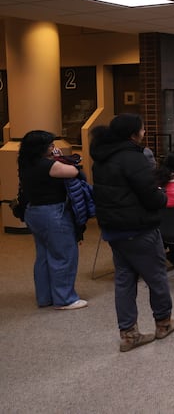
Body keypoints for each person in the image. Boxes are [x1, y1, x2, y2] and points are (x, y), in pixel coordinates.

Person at [91, 113, 174, 352]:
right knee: (156, 277)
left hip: (114, 229)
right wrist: (162, 196)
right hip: (139, 228)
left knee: (124, 280)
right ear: (132, 133)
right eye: (142, 129)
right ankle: (163, 323)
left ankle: (129, 334)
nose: (144, 132)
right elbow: (149, 195)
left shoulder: (101, 158)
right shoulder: (133, 158)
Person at [18, 130, 85, 310]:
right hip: (53, 213)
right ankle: (65, 298)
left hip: (34, 212)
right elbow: (73, 171)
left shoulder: (25, 163)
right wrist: (60, 158)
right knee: (63, 255)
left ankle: (45, 297)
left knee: (44, 256)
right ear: (41, 148)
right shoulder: (48, 166)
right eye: (50, 145)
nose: (53, 147)